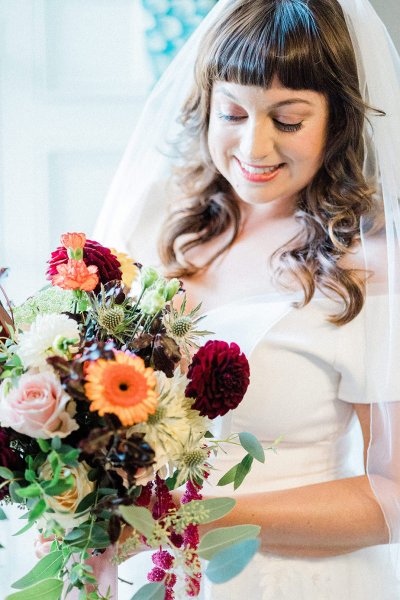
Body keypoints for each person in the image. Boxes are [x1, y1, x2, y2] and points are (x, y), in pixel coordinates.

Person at [95, 0, 400, 598]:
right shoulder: (164, 226)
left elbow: (394, 495)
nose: (253, 147)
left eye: (288, 121)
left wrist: (192, 519)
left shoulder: (370, 270)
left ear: (338, 122)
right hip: (142, 575)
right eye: (231, 112)